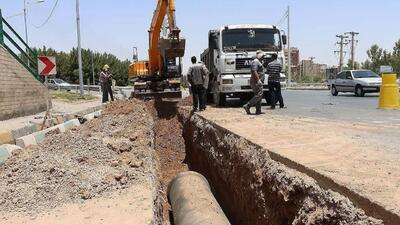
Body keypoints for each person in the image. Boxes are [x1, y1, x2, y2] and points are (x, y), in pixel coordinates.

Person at [243, 50, 265, 115]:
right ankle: (248, 105)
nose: (264, 57)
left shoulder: (258, 61)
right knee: (259, 95)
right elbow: (254, 71)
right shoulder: (255, 61)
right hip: (256, 81)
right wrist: (258, 80)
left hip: (258, 81)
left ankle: (258, 110)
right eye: (263, 56)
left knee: (258, 96)